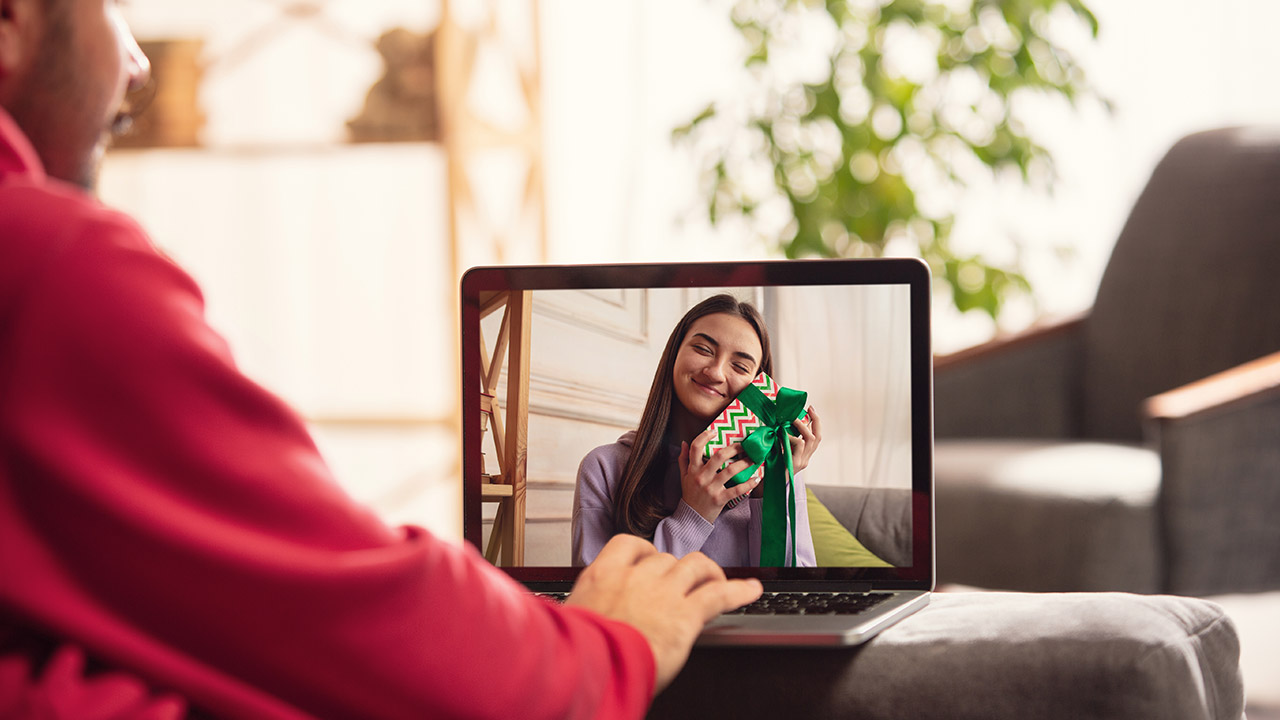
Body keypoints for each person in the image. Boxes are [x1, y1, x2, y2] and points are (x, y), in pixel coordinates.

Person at [0, 0, 762, 717]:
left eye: (743, 366)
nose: (137, 61)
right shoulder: (53, 261)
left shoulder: (769, 475)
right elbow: (364, 614)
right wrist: (611, 648)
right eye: (111, 6)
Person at [573, 294, 821, 568]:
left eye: (739, 366)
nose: (715, 372)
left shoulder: (780, 469)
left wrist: (769, 495)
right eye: (703, 349)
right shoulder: (604, 468)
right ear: (674, 354)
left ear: (757, 385)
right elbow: (594, 601)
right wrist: (694, 515)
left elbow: (791, 597)